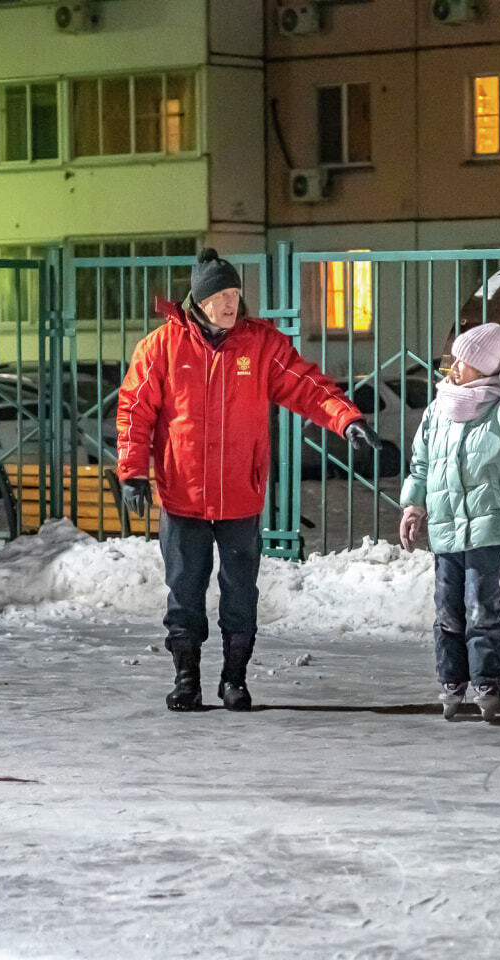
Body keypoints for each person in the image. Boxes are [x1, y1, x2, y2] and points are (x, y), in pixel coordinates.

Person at [117, 248, 380, 713]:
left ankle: (234, 679)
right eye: (220, 294)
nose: (229, 303)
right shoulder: (161, 348)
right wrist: (133, 471)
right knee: (184, 592)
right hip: (183, 496)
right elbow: (135, 410)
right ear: (199, 300)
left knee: (241, 592)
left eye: (235, 293)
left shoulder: (260, 345)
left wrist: (347, 419)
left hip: (241, 495)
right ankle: (187, 679)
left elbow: (306, 384)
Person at [397, 322, 500, 722]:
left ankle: (487, 682)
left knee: (481, 606)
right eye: (455, 358)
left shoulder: (499, 411)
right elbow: (421, 463)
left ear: (486, 368)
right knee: (447, 610)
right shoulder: (438, 409)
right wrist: (414, 505)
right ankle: (451, 681)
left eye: (466, 360)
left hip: (487, 523)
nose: (455, 367)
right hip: (445, 526)